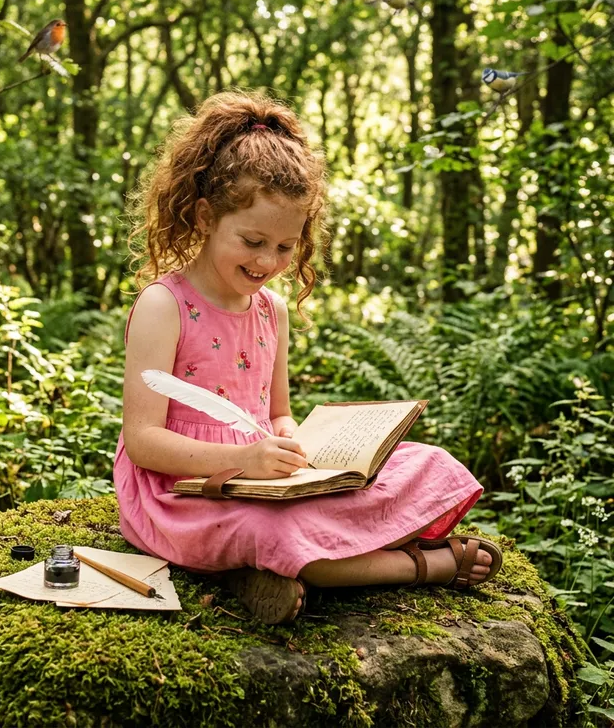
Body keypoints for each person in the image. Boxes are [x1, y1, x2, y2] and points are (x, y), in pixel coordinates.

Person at [114, 91, 502, 624]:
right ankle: (426, 566)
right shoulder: (165, 304)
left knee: (430, 466)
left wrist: (295, 449)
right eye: (252, 240)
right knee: (279, 533)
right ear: (205, 217)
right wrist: (243, 462)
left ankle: (251, 572)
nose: (267, 262)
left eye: (284, 248)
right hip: (184, 493)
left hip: (267, 481)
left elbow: (275, 413)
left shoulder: (272, 310)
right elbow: (143, 441)